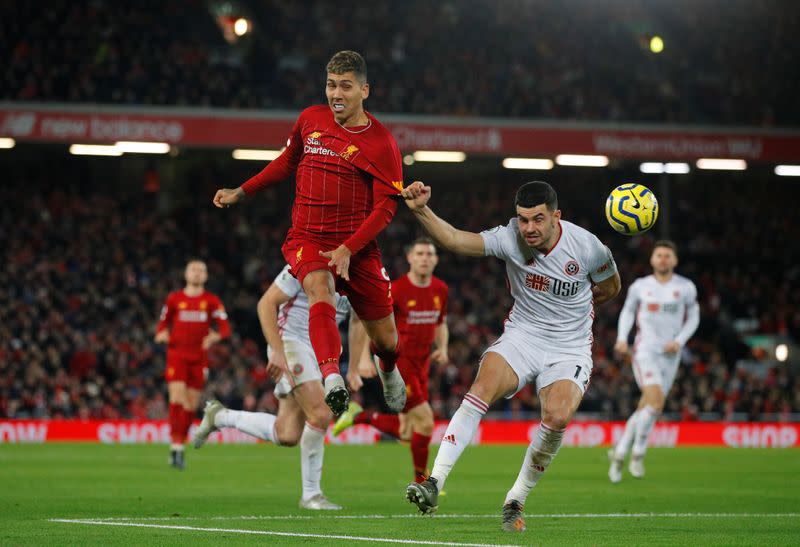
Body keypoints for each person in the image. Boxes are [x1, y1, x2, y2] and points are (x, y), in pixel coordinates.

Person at [400, 180, 621, 532]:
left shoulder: (589, 247)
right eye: (522, 219)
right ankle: (434, 482)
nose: (529, 228)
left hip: (569, 346)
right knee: (481, 388)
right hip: (523, 335)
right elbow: (456, 239)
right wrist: (422, 210)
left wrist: (577, 309)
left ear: (555, 217)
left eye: (537, 219)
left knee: (558, 416)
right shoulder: (509, 238)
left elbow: (610, 287)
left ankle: (515, 498)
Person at [212, 50, 406, 417]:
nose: (336, 94)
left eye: (345, 86)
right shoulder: (310, 119)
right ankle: (331, 375)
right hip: (308, 239)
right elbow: (288, 161)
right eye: (331, 85)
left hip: (358, 249)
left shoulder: (382, 144)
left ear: (365, 90)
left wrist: (349, 248)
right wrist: (242, 190)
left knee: (388, 341)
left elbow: (386, 208)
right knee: (319, 287)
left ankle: (389, 370)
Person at [192, 264, 367, 509]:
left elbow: (360, 319)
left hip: (323, 351)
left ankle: (220, 416)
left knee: (287, 434)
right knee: (320, 411)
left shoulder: (363, 270)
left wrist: (357, 366)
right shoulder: (307, 260)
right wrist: (277, 350)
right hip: (291, 342)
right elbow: (266, 304)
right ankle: (311, 495)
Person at [334, 237, 449, 484]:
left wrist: (443, 348)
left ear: (436, 260)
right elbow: (370, 321)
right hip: (400, 363)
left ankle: (359, 416)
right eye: (420, 253)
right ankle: (423, 483)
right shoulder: (396, 289)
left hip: (422, 364)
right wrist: (364, 357)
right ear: (410, 258)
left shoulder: (441, 289)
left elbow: (441, 323)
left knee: (408, 432)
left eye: (429, 254)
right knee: (426, 422)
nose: (425, 258)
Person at [608, 240, 699, 483]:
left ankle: (618, 453)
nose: (663, 259)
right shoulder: (641, 287)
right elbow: (627, 312)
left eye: (668, 256)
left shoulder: (685, 287)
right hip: (645, 350)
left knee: (647, 407)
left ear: (674, 260)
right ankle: (638, 452)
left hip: (671, 354)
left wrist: (679, 341)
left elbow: (694, 317)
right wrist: (621, 338)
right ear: (652, 260)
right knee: (656, 402)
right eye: (659, 255)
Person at [154, 259, 231, 470]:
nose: (197, 273)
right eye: (193, 270)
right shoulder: (174, 299)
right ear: (186, 274)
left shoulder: (212, 301)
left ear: (205, 276)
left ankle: (180, 445)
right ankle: (175, 446)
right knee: (177, 399)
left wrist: (214, 337)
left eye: (201, 270)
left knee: (190, 405)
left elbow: (225, 328)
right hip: (177, 355)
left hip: (199, 358)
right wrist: (162, 334)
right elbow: (162, 324)